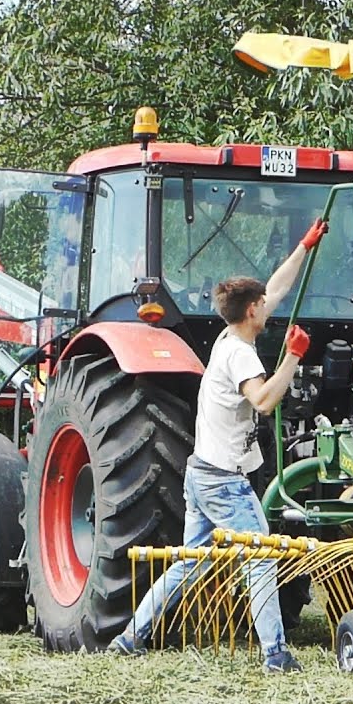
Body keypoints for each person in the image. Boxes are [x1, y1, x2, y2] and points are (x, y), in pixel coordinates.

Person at [108, 217, 328, 672]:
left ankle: (130, 638)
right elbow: (265, 402)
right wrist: (292, 357)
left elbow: (276, 287)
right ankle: (275, 655)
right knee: (262, 557)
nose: (269, 306)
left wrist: (305, 245)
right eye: (263, 304)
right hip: (224, 481)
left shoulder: (230, 334)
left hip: (199, 473)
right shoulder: (240, 354)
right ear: (252, 311)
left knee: (192, 563)